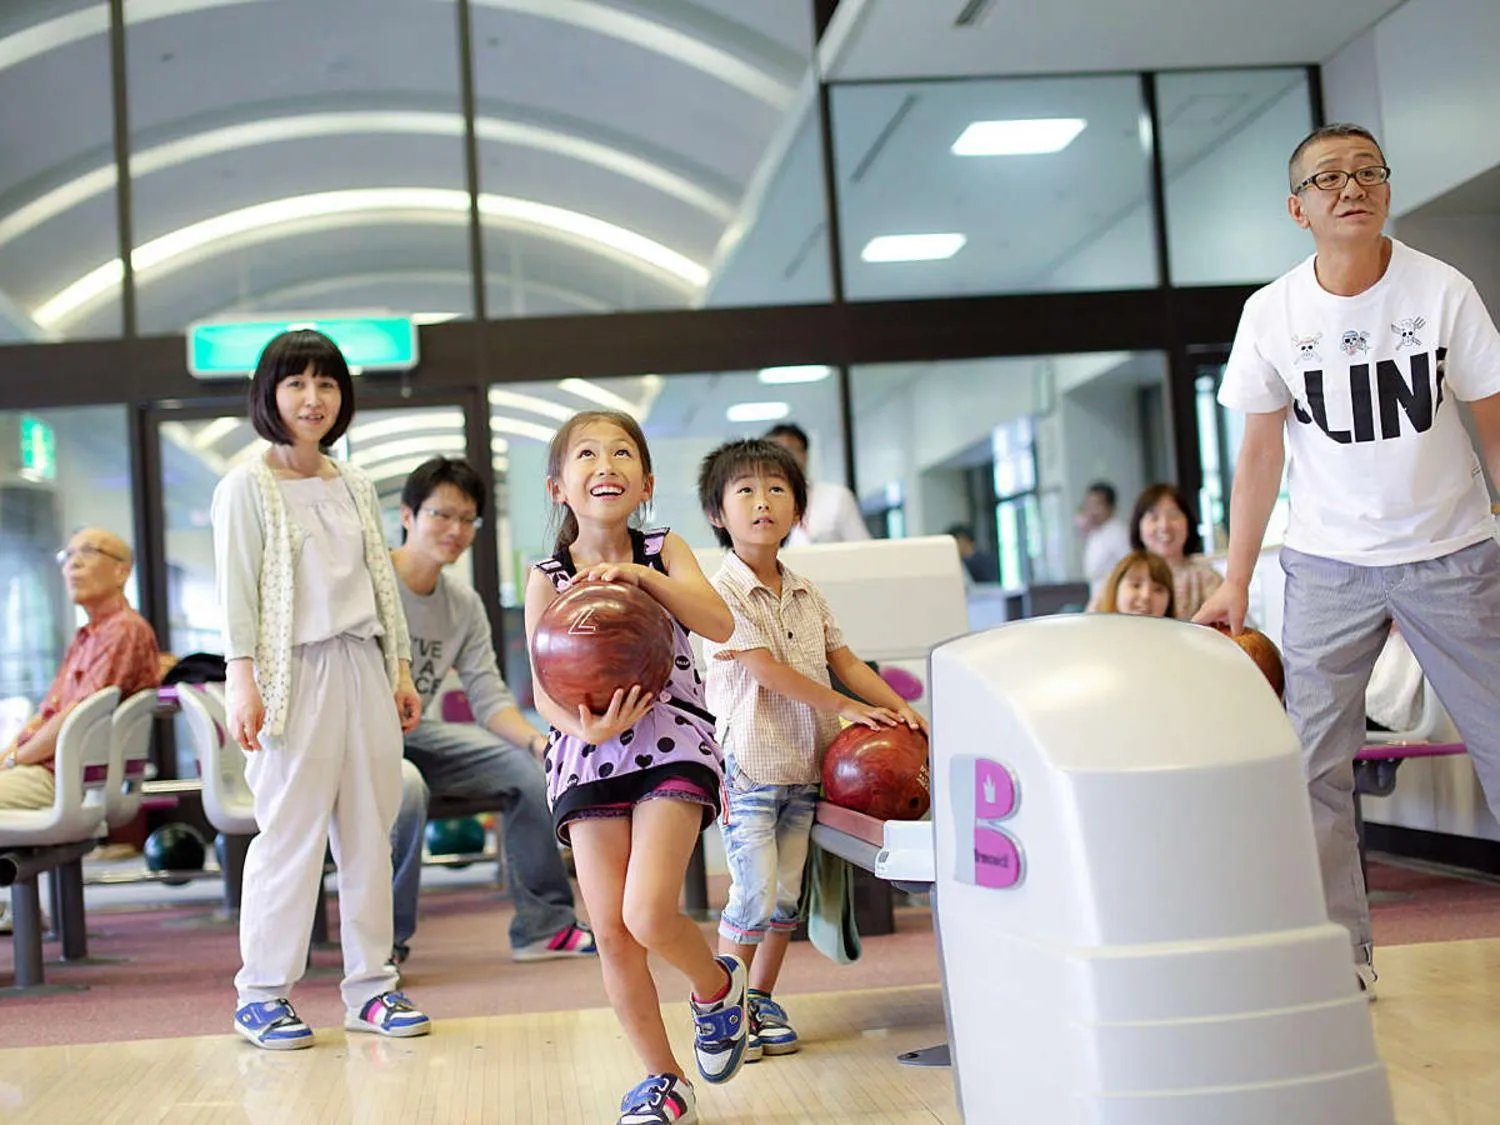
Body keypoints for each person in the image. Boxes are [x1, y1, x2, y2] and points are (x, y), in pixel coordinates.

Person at [1193, 123, 1500, 997]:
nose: (1352, 187)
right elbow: (1259, 457)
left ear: (1387, 190)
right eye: (1328, 177)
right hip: (1327, 567)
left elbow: (1494, 423)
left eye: (1368, 172)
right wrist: (1236, 577)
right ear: (1298, 208)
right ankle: (1340, 955)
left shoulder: (1443, 290)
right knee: (1310, 765)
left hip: (1453, 552)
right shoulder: (1272, 313)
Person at [523, 409, 746, 1124]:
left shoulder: (662, 549)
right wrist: (582, 725)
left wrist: (640, 579)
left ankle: (716, 986)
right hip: (586, 754)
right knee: (614, 935)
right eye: (586, 455)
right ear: (558, 486)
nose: (606, 465)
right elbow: (542, 689)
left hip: (672, 738)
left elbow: (719, 622)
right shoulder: (546, 577)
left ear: (645, 483)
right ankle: (663, 1081)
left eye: (622, 453)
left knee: (647, 911)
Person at [212, 329, 429, 1050]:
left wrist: (399, 667)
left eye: (327, 383)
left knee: (371, 832)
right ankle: (261, 994)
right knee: (290, 835)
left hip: (363, 663)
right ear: (269, 394)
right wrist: (242, 678)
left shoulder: (354, 481)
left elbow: (380, 583)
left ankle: (372, 987)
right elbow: (236, 594)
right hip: (291, 673)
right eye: (297, 383)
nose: (313, 398)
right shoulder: (245, 485)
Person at [697, 438, 927, 1062]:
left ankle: (760, 1000)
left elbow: (845, 661)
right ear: (717, 513)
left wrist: (901, 709)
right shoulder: (720, 592)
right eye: (745, 490)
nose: (762, 502)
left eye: (777, 490)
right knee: (751, 895)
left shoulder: (806, 591)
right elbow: (766, 671)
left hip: (806, 769)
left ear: (798, 510)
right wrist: (848, 708)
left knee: (786, 900)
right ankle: (722, 1011)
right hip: (749, 768)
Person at [385, 456, 596, 967]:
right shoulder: (371, 583)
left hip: (415, 733)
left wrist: (538, 743)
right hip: (359, 736)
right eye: (441, 515)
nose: (455, 530)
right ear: (408, 515)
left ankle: (544, 927)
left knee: (529, 772)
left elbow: (489, 697)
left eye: (467, 519)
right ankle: (383, 944)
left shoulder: (463, 604)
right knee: (405, 790)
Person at [0, 529, 161, 933]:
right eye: (67, 555)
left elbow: (74, 718)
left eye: (87, 552)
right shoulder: (87, 635)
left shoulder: (123, 630)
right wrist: (7, 757)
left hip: (64, 776)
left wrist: (16, 759)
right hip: (52, 770)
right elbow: (46, 713)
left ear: (122, 571)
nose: (72, 564)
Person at [1126, 483, 1223, 620]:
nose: (1164, 526)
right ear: (1138, 527)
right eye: (1154, 518)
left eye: (1173, 515)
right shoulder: (1123, 576)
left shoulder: (1206, 578)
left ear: (1188, 524)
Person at [764, 423, 870, 545]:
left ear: (805, 455)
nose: (782, 459)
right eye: (774, 454)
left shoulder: (837, 497)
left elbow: (864, 548)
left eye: (789, 450)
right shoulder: (760, 503)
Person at [1075, 482, 1131, 599]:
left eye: (1097, 505)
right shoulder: (1095, 532)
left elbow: (1129, 567)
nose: (1092, 511)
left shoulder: (1119, 533)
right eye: (1089, 505)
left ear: (1111, 507)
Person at [1093, 550, 1177, 619]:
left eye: (1158, 589)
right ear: (1115, 589)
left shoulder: (1179, 634)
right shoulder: (1094, 633)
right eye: (1136, 585)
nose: (1146, 596)